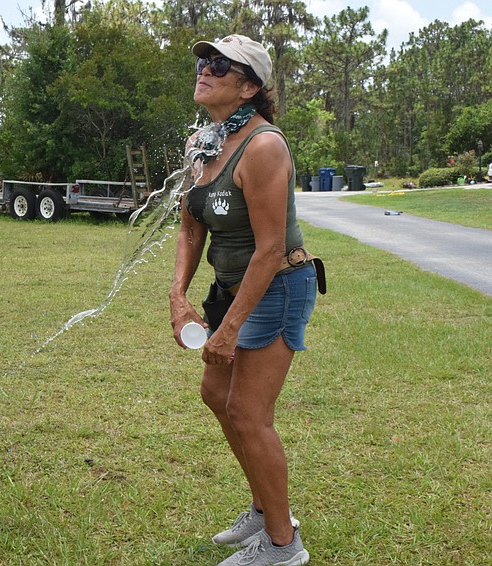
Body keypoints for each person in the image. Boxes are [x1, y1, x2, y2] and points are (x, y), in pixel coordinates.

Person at [169, 35, 324, 566]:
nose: (204, 69)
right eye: (202, 62)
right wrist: (177, 294)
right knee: (217, 396)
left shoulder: (263, 146)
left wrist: (230, 328)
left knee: (247, 410)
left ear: (249, 86)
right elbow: (191, 229)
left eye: (219, 65)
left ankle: (284, 545)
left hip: (278, 286)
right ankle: (263, 509)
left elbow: (270, 247)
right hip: (231, 288)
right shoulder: (202, 144)